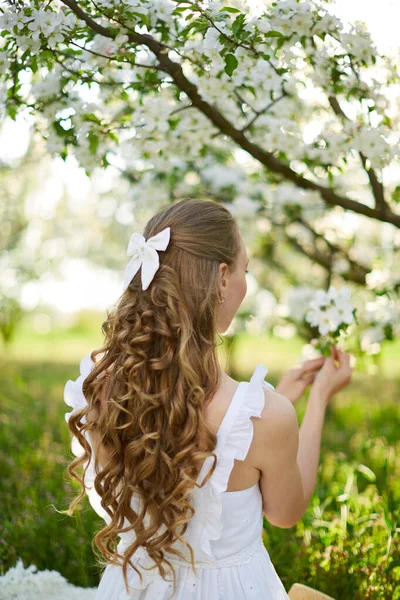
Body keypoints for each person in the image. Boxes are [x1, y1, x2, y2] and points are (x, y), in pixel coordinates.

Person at [63, 198, 353, 600]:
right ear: (221, 277)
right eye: (244, 269)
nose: (244, 282)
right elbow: (286, 512)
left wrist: (277, 398)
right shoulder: (269, 419)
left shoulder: (101, 389)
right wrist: (318, 398)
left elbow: (201, 424)